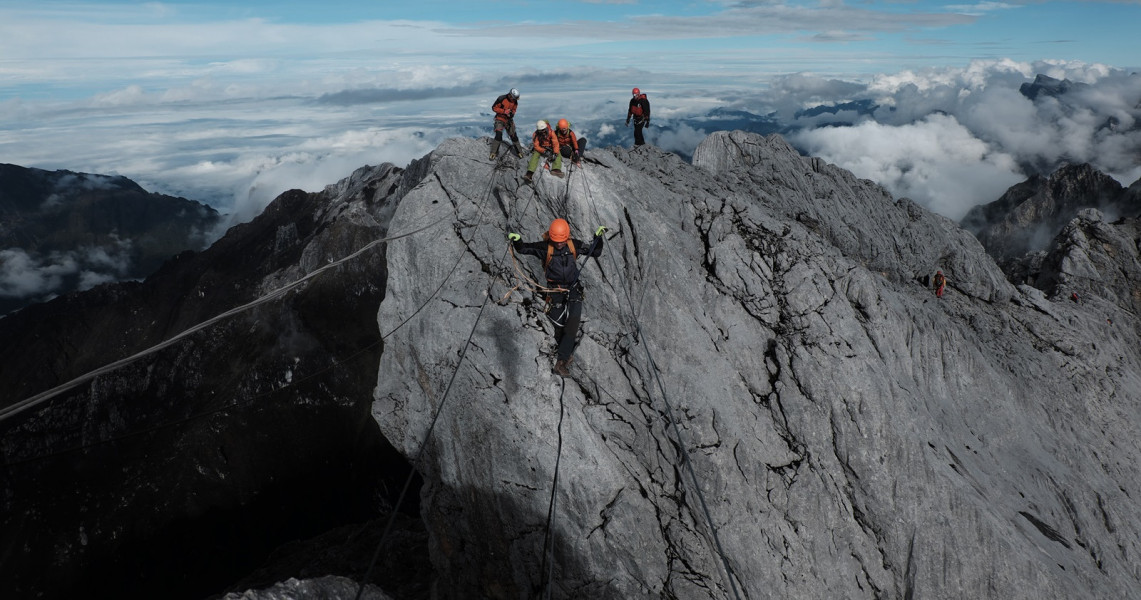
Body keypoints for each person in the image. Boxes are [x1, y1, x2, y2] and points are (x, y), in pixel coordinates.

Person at [508, 219, 606, 376]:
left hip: (573, 288)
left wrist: (598, 238)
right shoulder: (545, 247)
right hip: (554, 289)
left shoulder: (574, 244)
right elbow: (524, 249)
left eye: (561, 241)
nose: (559, 244)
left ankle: (561, 362)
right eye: (556, 241)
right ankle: (564, 347)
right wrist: (518, 240)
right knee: (558, 323)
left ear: (567, 237)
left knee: (573, 322)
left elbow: (595, 252)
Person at [490, 88, 524, 160]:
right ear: (511, 96)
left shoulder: (515, 102)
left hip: (508, 120)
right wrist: (504, 111)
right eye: (514, 98)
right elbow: (494, 108)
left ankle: (519, 152)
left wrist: (512, 114)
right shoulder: (501, 98)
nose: (515, 99)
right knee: (498, 135)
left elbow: (514, 110)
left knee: (513, 136)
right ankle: (494, 152)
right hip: (500, 118)